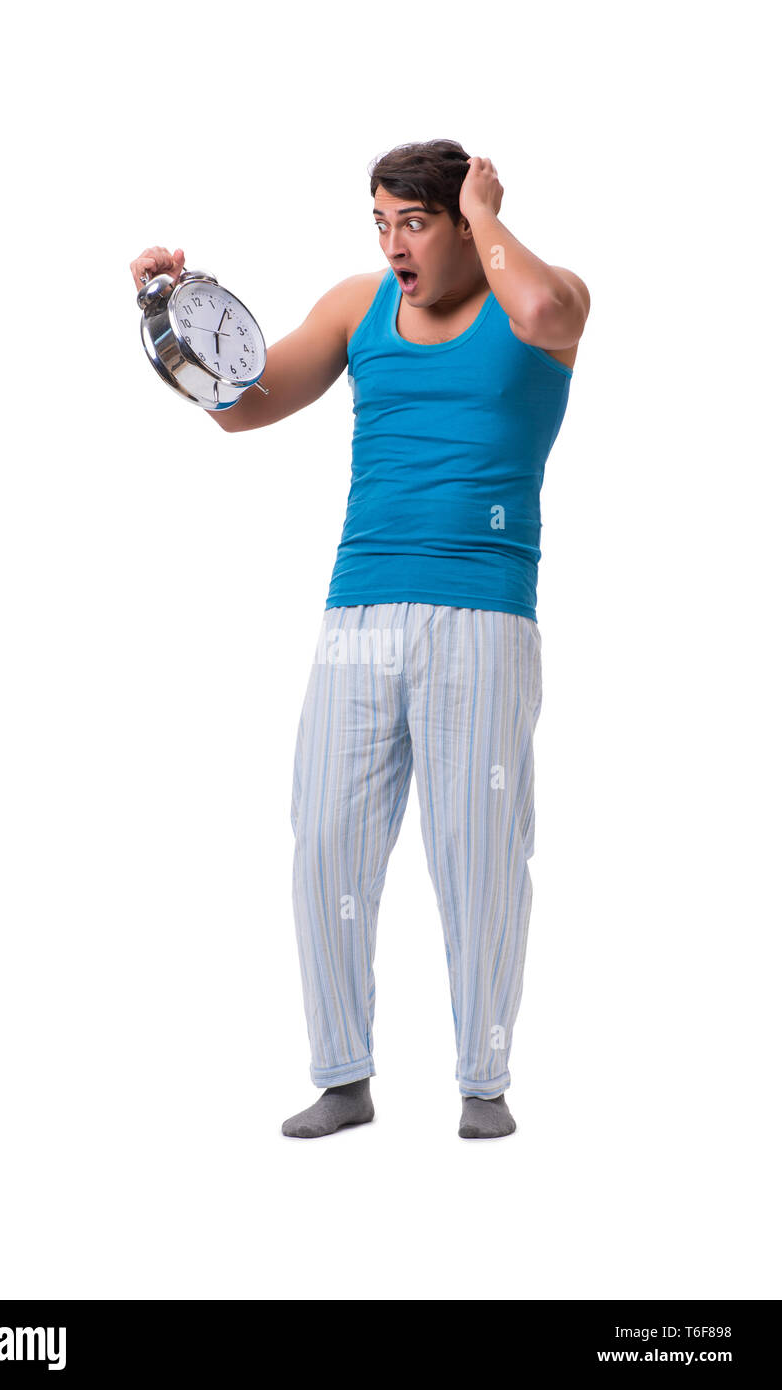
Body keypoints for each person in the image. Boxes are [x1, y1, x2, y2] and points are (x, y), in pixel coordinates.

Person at [129, 137, 590, 1140]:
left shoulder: (540, 301)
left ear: (470, 224)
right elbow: (242, 411)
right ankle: (344, 1075)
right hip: (357, 610)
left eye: (414, 223)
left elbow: (547, 311)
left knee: (477, 854)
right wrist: (166, 325)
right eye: (380, 224)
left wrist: (486, 208)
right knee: (327, 837)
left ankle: (483, 1081)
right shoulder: (356, 306)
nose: (393, 247)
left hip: (484, 613)